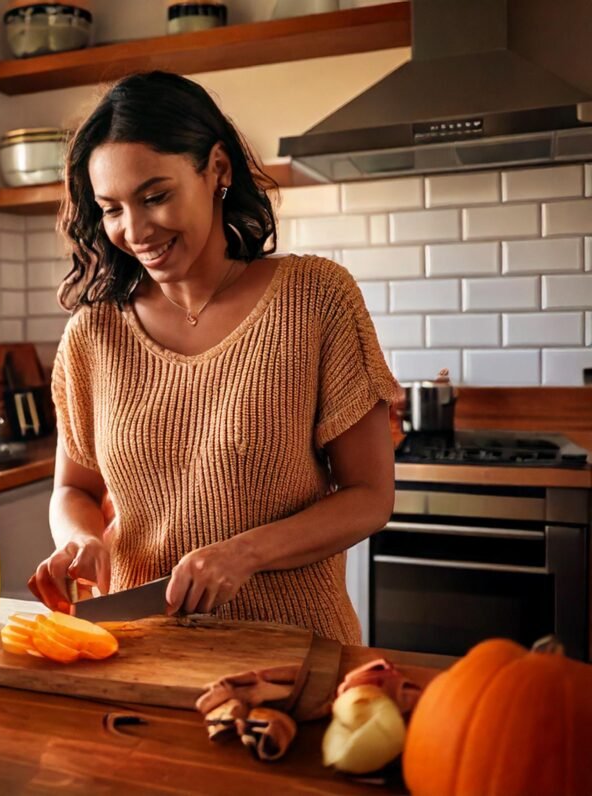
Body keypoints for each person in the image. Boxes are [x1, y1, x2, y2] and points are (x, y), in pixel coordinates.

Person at [27, 71, 398, 645]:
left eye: (155, 196)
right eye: (112, 208)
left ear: (217, 169)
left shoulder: (315, 297)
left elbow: (370, 497)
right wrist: (80, 539)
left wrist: (246, 553)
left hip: (296, 650)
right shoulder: (92, 335)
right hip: (142, 650)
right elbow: (72, 488)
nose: (135, 229)